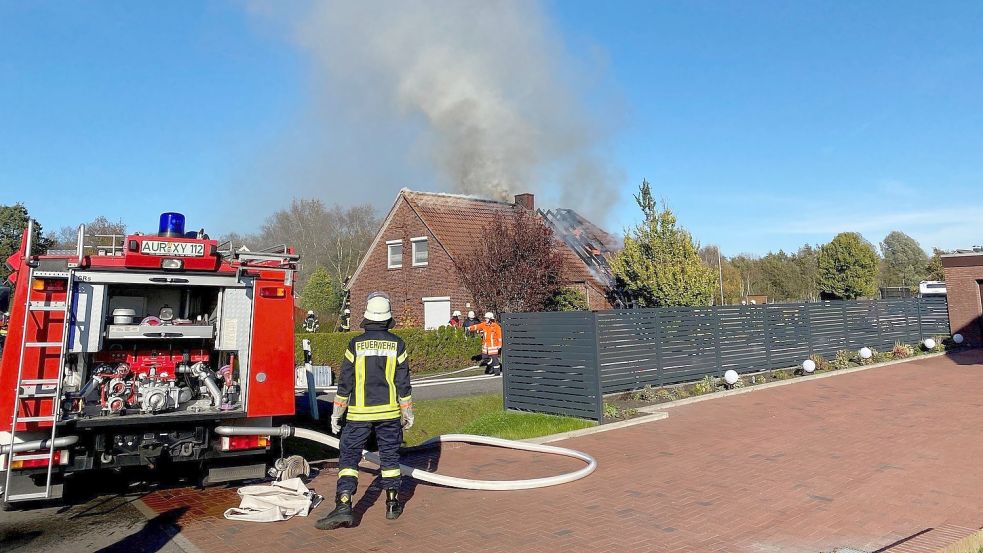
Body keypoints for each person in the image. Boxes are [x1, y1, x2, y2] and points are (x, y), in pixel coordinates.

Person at [316, 292, 414, 530]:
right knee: (390, 458)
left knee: (349, 459)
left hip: (359, 415)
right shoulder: (398, 344)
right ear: (388, 318)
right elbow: (403, 383)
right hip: (390, 414)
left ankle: (344, 504)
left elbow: (345, 383)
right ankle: (392, 504)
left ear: (367, 317)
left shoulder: (355, 345)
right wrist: (407, 412)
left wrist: (336, 413)